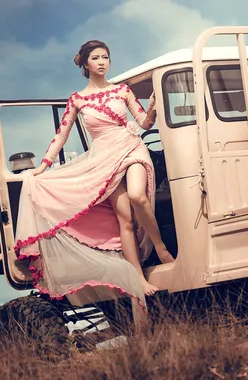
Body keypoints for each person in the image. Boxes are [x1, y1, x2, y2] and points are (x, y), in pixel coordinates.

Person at [13, 40, 175, 314]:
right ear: (85, 64)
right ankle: (135, 275)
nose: (102, 62)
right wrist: (42, 166)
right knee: (123, 218)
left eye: (106, 57)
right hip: (103, 160)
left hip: (131, 147)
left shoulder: (123, 91)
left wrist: (154, 106)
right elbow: (61, 136)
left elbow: (145, 124)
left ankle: (160, 248)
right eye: (96, 58)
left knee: (137, 196)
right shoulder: (78, 99)